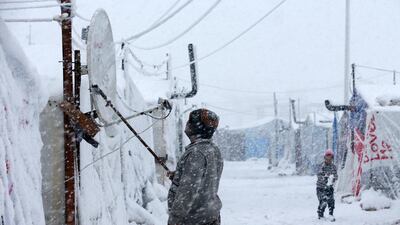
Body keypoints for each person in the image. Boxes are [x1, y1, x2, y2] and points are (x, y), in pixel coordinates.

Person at [167, 108, 223, 225]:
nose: (187, 124)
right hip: (209, 216)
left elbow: (187, 192)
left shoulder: (196, 153)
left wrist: (174, 220)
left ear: (195, 127)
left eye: (189, 121)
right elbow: (205, 181)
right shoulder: (213, 149)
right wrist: (180, 176)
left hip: (193, 220)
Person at [316, 149, 338, 221]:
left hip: (330, 187)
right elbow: (319, 175)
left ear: (332, 158)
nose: (329, 160)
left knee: (331, 201)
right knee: (323, 200)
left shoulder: (334, 167)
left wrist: (333, 178)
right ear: (325, 158)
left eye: (330, 158)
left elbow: (335, 176)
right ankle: (320, 214)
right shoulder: (321, 166)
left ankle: (331, 214)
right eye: (327, 158)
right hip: (321, 187)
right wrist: (325, 178)